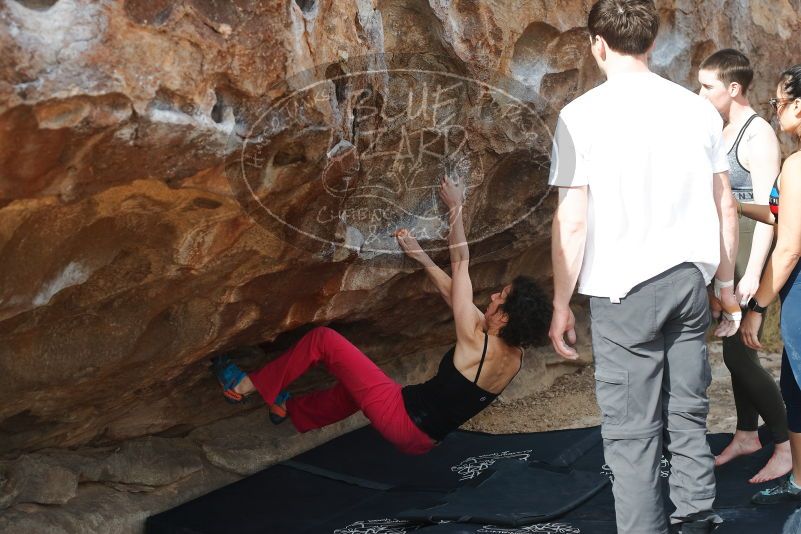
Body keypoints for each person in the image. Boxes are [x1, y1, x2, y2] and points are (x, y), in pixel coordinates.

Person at [547, 1, 740, 533]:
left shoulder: (577, 117)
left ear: (597, 44)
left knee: (632, 432)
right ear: (653, 44)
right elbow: (724, 204)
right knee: (688, 412)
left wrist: (561, 303)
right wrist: (726, 285)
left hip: (622, 293)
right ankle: (696, 518)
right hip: (688, 282)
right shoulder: (698, 110)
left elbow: (572, 220)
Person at [210, 175, 549, 455]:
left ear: (505, 318)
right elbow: (455, 295)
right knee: (358, 384)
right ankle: (288, 409)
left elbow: (461, 264)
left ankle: (243, 385)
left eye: (501, 298)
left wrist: (456, 206)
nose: (493, 296)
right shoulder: (511, 356)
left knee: (323, 340)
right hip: (423, 441)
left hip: (401, 418)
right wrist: (422, 258)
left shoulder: (476, 341)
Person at [697, 49, 791, 483]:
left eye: (708, 86)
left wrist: (752, 274)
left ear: (734, 88)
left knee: (738, 353)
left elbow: (771, 214)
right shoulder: (720, 127)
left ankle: (785, 444)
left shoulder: (758, 136)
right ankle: (746, 434)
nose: (700, 94)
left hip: (752, 250)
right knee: (735, 352)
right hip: (728, 251)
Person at [738, 65, 801, 505]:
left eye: (778, 102)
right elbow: (781, 214)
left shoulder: (797, 167)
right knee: (794, 387)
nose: (775, 111)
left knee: (797, 386)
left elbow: (789, 248)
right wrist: (739, 206)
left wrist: (757, 308)